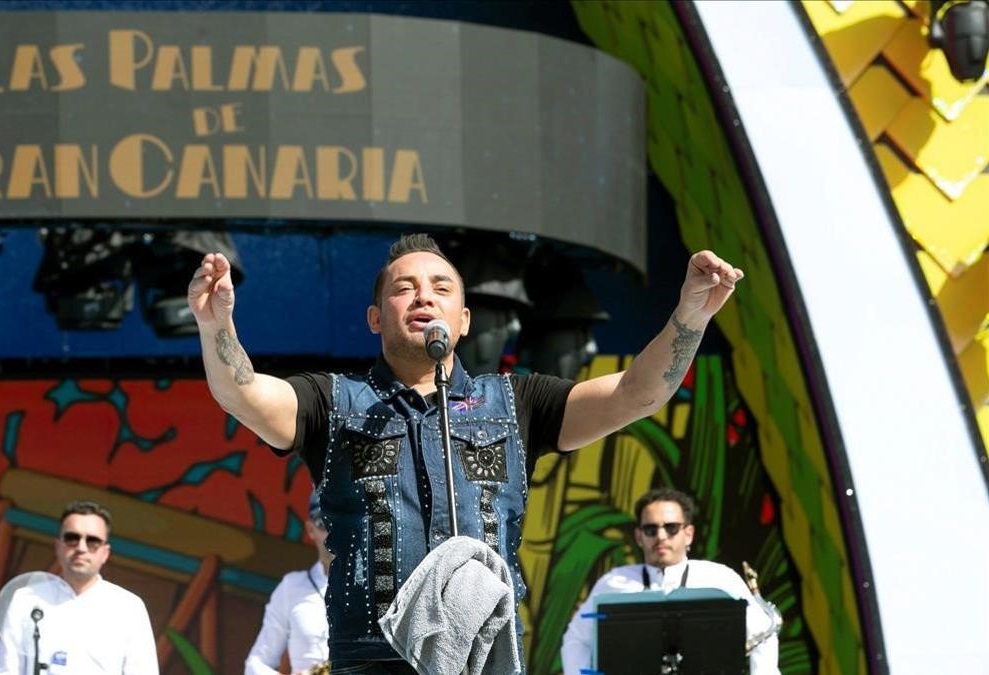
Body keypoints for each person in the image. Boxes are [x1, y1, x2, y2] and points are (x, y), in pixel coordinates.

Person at [189, 233, 744, 673]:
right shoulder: (332, 401)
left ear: (464, 320)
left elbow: (637, 394)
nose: (424, 295)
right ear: (376, 318)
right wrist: (216, 326)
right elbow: (242, 392)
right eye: (404, 288)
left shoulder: (516, 402)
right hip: (373, 661)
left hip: (488, 657)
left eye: (440, 287)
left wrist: (690, 317)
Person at [560, 489, 779, 674]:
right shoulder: (613, 582)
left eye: (671, 528)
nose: (661, 536)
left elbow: (763, 635)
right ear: (639, 537)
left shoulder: (721, 578)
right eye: (650, 529)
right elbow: (576, 639)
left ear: (689, 534)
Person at [0, 500, 158, 675]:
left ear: (105, 553)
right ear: (58, 546)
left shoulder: (128, 607)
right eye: (72, 538)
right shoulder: (26, 600)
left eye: (93, 541)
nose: (81, 547)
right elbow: (6, 670)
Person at [245, 491, 332, 675]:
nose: (332, 532)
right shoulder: (292, 587)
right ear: (310, 530)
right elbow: (255, 665)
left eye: (338, 522)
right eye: (323, 523)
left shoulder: (370, 588)